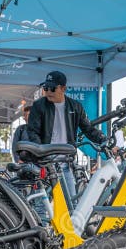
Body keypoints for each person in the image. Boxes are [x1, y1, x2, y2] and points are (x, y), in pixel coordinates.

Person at [26, 71, 107, 199]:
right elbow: (32, 131)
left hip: (65, 164)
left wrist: (103, 139)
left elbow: (88, 129)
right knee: (41, 205)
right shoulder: (38, 106)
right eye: (46, 88)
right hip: (44, 164)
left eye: (52, 88)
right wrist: (41, 153)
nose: (48, 92)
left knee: (71, 203)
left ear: (63, 88)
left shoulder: (75, 107)